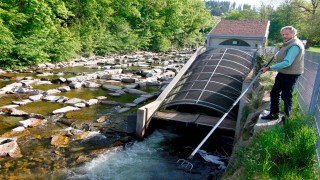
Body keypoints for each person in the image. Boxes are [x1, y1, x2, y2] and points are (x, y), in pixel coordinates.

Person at [260, 26, 305, 121]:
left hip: (291, 74)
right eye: (283, 34)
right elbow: (286, 51)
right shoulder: (289, 43)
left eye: (286, 34)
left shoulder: (295, 45)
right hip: (284, 72)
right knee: (274, 92)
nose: (284, 36)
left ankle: (287, 118)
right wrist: (283, 47)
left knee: (286, 96)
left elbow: (287, 62)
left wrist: (269, 68)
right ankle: (273, 114)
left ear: (293, 34)